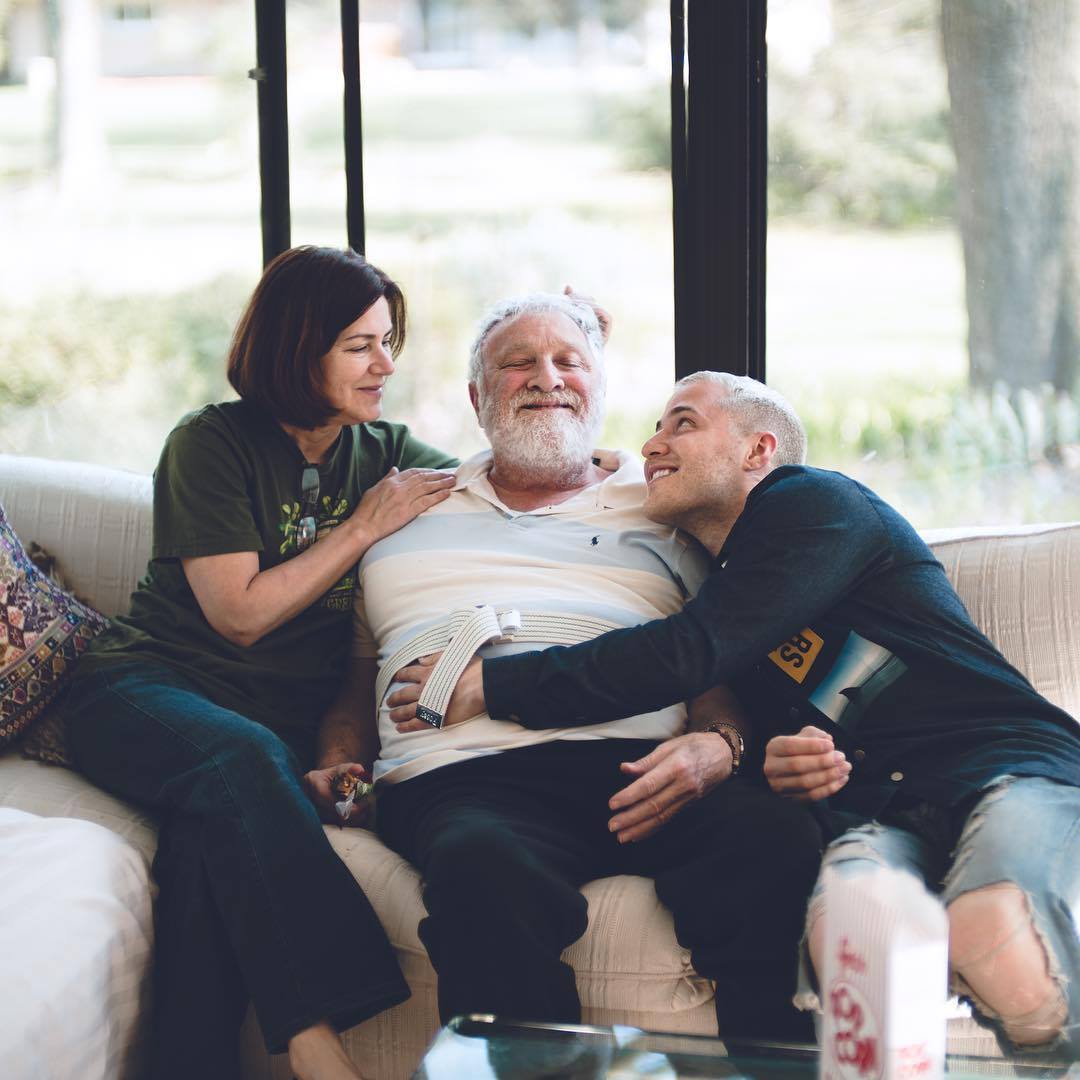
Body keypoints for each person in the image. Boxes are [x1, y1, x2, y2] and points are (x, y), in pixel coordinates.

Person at [391, 370, 1080, 1058]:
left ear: (758, 452)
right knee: (847, 936)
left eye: (682, 423)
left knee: (992, 927)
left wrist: (495, 684)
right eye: (656, 426)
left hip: (1006, 770)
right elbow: (761, 723)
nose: (653, 443)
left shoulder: (814, 504)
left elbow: (683, 654)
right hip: (880, 814)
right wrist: (779, 762)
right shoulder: (728, 600)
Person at [322, 295, 824, 1041]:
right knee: (480, 871)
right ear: (476, 398)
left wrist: (720, 745)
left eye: (569, 362)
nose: (545, 378)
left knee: (772, 837)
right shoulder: (402, 511)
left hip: (645, 768)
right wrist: (341, 764)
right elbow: (354, 679)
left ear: (601, 387)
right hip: (465, 780)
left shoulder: (662, 503)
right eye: (517, 363)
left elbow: (714, 662)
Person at [64, 246, 458, 1080]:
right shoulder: (211, 444)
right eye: (361, 345)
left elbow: (502, 483)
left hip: (266, 732)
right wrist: (361, 527)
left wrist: (607, 464)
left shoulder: (382, 450)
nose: (386, 364)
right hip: (145, 690)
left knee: (208, 851)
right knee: (245, 761)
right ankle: (319, 1050)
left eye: (388, 341)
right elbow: (238, 613)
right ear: (295, 348)